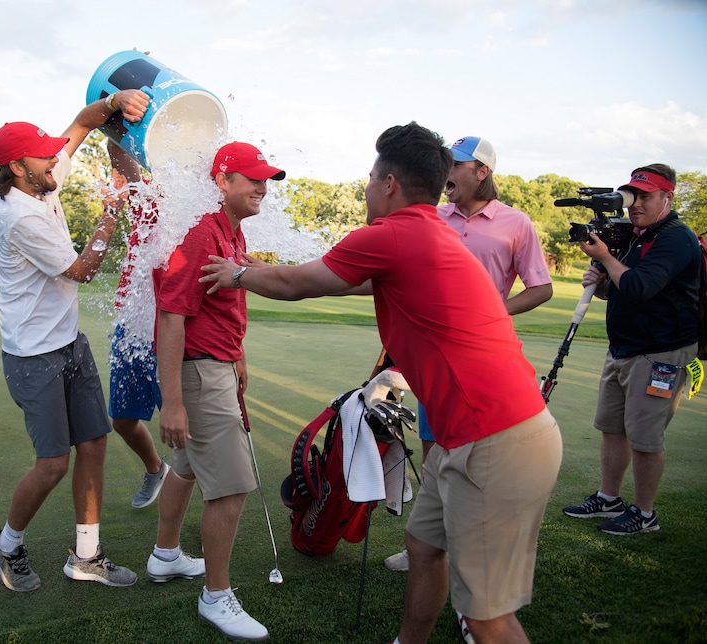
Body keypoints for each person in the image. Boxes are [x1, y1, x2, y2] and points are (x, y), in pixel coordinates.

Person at [200, 123, 563, 643]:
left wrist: (236, 274)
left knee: (487, 617)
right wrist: (259, 267)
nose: (366, 187)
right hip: (472, 435)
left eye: (370, 177)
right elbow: (339, 278)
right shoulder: (426, 231)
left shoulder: (395, 233)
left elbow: (297, 285)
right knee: (424, 547)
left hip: (496, 438)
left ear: (389, 183)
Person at [0, 86, 150, 593]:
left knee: (94, 444)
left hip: (67, 342)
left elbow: (80, 124)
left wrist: (115, 101)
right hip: (33, 355)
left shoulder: (41, 181)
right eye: (44, 154)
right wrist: (111, 209)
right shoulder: (19, 214)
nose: (56, 157)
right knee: (54, 463)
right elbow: (81, 270)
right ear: (17, 167)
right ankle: (6, 542)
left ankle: (86, 556)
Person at [384, 136, 553, 583]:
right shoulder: (434, 217)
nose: (448, 175)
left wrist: (497, 311)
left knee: (471, 450)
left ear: (482, 172)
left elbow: (541, 286)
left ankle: (462, 547)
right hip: (431, 359)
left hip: (481, 359)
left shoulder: (515, 223)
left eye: (456, 166)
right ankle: (426, 544)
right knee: (433, 448)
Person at [151, 142, 285, 642]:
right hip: (200, 375)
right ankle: (216, 596)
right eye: (252, 179)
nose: (262, 187)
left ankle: (165, 555)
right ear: (223, 181)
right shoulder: (201, 232)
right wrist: (173, 401)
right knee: (230, 488)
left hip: (218, 366)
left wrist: (239, 357)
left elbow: (221, 306)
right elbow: (171, 317)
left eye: (264, 179)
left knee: (185, 468)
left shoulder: (232, 230)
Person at [563, 164, 700, 535]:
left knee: (644, 435)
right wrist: (602, 279)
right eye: (632, 196)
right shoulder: (637, 237)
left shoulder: (675, 239)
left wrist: (607, 259)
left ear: (667, 197)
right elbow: (623, 289)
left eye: (645, 196)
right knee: (611, 428)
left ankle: (644, 512)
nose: (635, 204)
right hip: (624, 347)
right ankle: (609, 497)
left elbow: (639, 287)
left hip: (660, 352)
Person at [108, 182, 170, 509]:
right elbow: (121, 161)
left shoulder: (194, 209)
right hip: (131, 326)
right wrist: (114, 126)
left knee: (189, 436)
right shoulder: (147, 199)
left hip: (171, 332)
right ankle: (156, 470)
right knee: (122, 420)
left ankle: (211, 511)